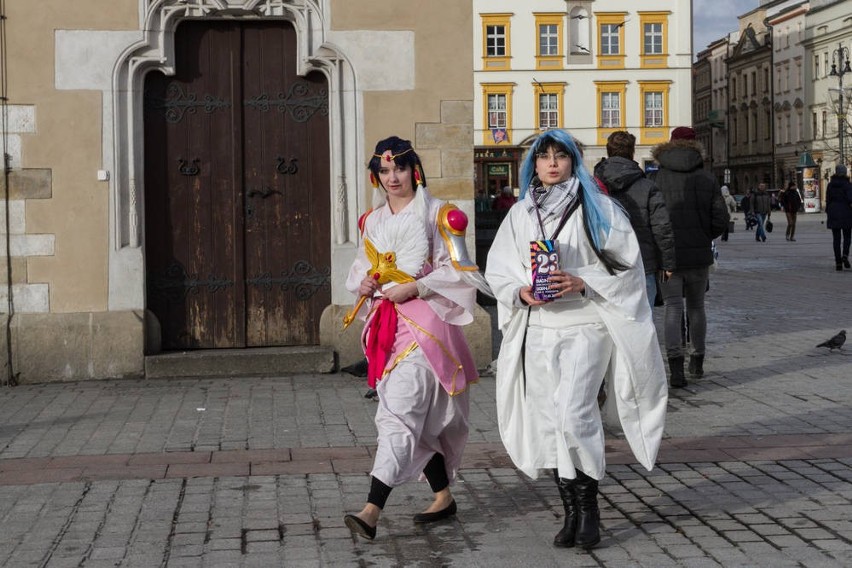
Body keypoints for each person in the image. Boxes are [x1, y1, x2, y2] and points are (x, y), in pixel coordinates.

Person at [484, 129, 668, 550]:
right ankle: (570, 511)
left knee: (574, 413)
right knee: (550, 419)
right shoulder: (521, 212)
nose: (552, 163)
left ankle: (589, 510)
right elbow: (499, 267)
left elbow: (629, 267)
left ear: (574, 161)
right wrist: (518, 291)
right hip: (539, 327)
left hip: (587, 326)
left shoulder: (600, 208)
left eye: (560, 156)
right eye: (544, 156)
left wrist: (583, 281)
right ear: (534, 163)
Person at [342, 136, 482, 540]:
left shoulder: (442, 215)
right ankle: (443, 497)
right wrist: (366, 281)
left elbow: (465, 271)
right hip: (385, 330)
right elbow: (359, 268)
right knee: (412, 419)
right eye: (384, 171)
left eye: (399, 168)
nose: (392, 177)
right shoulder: (372, 221)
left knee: (398, 414)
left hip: (427, 330)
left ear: (414, 170)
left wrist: (416, 288)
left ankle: (371, 510)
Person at [651, 126, 729, 386]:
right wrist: (702, 235)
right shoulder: (707, 178)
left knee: (673, 308)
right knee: (697, 308)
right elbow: (721, 220)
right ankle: (697, 360)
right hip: (698, 256)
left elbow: (652, 219)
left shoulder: (657, 178)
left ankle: (676, 369)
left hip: (668, 257)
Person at [594, 130, 676, 309]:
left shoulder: (593, 186)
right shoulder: (648, 186)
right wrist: (667, 264)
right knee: (643, 323)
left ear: (608, 151)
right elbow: (662, 228)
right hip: (642, 264)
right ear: (632, 152)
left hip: (603, 265)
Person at [825, 164, 852, 271]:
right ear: (845, 173)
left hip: (833, 212)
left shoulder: (830, 185)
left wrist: (828, 211)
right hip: (846, 212)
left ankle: (838, 263)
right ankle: (845, 255)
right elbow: (850, 199)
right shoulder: (848, 185)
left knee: (836, 239)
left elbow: (828, 199)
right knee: (847, 237)